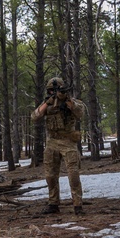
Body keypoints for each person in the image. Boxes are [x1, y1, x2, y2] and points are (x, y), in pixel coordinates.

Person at [31, 77, 87, 216]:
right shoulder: (47, 103)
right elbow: (34, 116)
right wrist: (48, 102)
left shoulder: (72, 102)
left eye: (55, 90)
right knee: (50, 175)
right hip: (52, 142)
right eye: (51, 90)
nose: (53, 92)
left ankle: (77, 205)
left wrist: (68, 101)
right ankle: (53, 203)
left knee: (73, 175)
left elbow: (81, 113)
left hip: (68, 142)